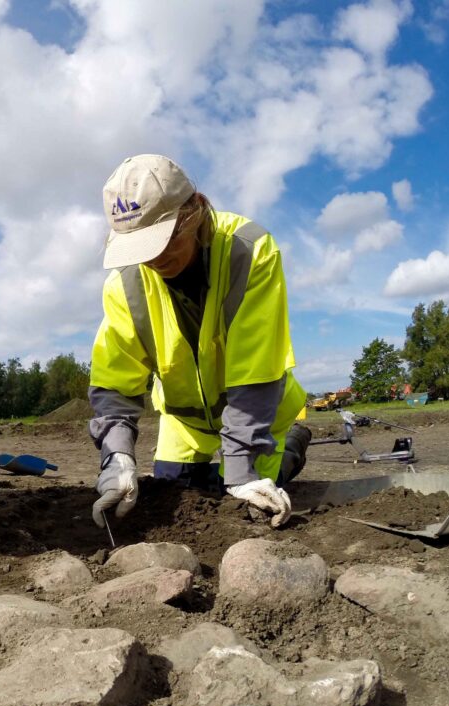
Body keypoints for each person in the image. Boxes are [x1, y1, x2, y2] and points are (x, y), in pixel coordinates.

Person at [87, 154, 310, 530]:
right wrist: (118, 458)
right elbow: (114, 381)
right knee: (172, 494)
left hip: (258, 412)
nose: (154, 258)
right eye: (140, 248)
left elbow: (255, 369)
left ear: (196, 211)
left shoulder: (249, 252)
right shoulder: (124, 285)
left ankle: (293, 444)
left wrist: (240, 473)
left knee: (253, 504)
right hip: (184, 420)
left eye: (165, 239)